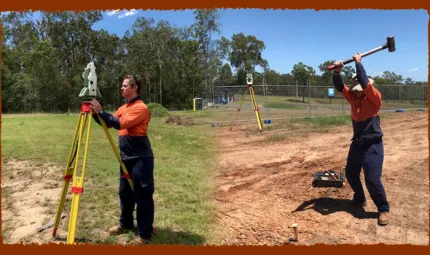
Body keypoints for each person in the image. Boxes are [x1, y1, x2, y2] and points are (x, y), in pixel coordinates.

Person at [90, 74, 156, 244]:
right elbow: (109, 122)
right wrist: (95, 114)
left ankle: (145, 234)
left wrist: (101, 111)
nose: (122, 88)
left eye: (125, 86)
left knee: (142, 196)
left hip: (140, 158)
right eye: (122, 86)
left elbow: (120, 124)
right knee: (125, 193)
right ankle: (125, 224)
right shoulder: (124, 107)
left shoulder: (141, 108)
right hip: (125, 158)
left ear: (134, 88)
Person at [332, 53, 390, 226]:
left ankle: (383, 209)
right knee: (350, 173)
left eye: (359, 84)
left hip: (373, 145)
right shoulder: (353, 98)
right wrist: (337, 72)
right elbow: (340, 87)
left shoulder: (374, 98)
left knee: (372, 179)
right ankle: (359, 198)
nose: (356, 87)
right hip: (357, 144)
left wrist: (358, 63)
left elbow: (364, 82)